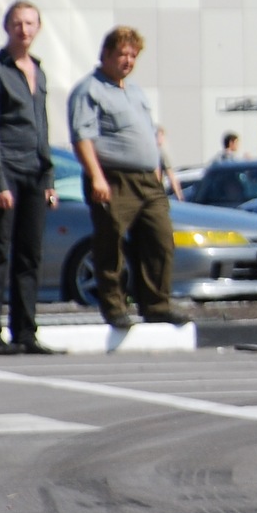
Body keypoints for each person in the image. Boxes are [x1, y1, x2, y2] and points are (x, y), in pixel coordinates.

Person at [69, 25, 186, 329]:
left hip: (148, 182)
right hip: (113, 179)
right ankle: (114, 307)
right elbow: (82, 137)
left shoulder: (134, 91)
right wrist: (96, 178)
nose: (128, 60)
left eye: (133, 55)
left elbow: (148, 133)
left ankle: (157, 305)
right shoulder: (90, 90)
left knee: (160, 241)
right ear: (106, 54)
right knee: (111, 243)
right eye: (122, 54)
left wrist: (158, 168)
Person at [0, 1, 61, 355]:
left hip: (36, 174)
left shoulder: (38, 71)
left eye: (30, 23)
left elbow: (42, 128)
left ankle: (25, 332)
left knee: (30, 256)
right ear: (7, 27)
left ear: (38, 27)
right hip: (6, 171)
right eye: (17, 23)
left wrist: (50, 177)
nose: (23, 30)